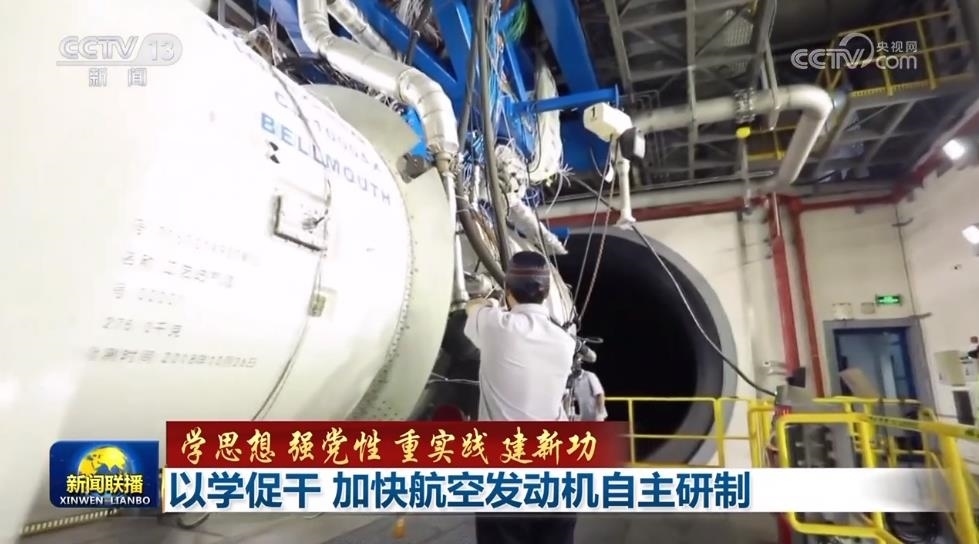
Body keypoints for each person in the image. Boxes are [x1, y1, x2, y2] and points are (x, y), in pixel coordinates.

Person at [463, 250, 577, 544]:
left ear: (508, 289)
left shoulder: (495, 325)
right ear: (547, 292)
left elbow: (472, 307)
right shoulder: (565, 341)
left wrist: (489, 299)